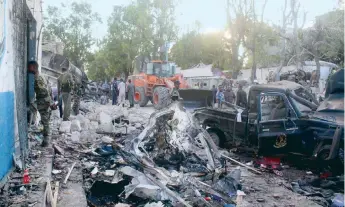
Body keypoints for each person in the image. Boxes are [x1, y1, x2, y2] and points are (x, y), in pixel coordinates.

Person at [28, 61, 56, 147]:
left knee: (45, 122)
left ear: (33, 67)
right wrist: (51, 101)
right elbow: (50, 89)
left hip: (43, 101)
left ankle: (46, 142)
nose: (28, 69)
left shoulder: (38, 78)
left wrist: (50, 102)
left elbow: (44, 91)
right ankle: (46, 140)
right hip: (45, 101)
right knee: (46, 121)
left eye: (29, 67)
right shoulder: (43, 76)